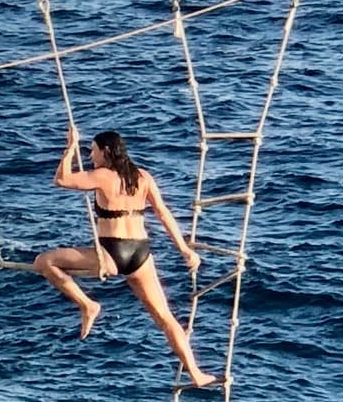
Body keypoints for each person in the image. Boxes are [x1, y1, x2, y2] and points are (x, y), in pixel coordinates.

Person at [34, 129, 217, 386]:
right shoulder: (143, 176)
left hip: (112, 253)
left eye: (93, 150)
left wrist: (70, 147)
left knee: (44, 261)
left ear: (106, 151)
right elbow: (164, 215)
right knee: (165, 318)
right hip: (141, 254)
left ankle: (87, 305)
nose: (90, 155)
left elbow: (61, 180)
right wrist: (185, 250)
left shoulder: (103, 176)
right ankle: (196, 373)